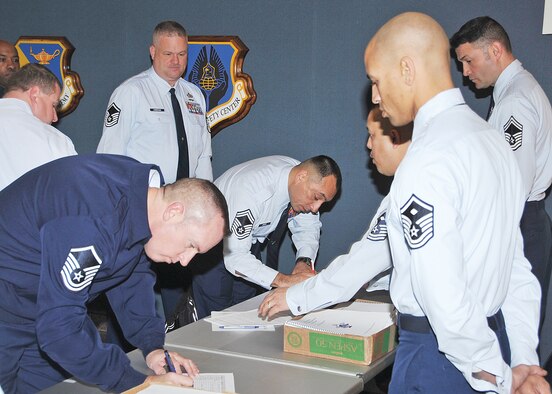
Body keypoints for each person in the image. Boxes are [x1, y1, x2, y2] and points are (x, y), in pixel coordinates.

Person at [363, 12, 544, 393]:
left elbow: (443, 296)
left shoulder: (426, 160)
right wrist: (522, 359)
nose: (376, 98)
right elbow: (514, 266)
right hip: (492, 340)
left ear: (406, 69)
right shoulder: (491, 141)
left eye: (377, 81)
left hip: (440, 357)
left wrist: (497, 375)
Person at [0, 154, 229, 393]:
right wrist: (135, 381)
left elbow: (130, 275)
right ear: (173, 212)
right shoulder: (94, 219)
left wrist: (152, 347)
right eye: (191, 245)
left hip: (38, 307)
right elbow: (59, 329)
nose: (185, 261)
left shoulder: (142, 200)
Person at [96, 20, 212, 323]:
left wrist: (206, 206)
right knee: (131, 291)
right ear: (152, 52)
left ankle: (176, 346)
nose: (176, 62)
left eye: (182, 54)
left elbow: (203, 156)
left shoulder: (194, 96)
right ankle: (127, 357)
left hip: (182, 212)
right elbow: (109, 156)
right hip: (141, 210)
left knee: (178, 290)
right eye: (168, 54)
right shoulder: (130, 93)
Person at [450, 16, 552, 335]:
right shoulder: (519, 89)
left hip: (518, 226)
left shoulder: (514, 103)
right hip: (526, 223)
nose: (465, 72)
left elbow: (512, 186)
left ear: (495, 50)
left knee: (511, 337)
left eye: (468, 60)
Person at [259, 108, 412, 318]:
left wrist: (297, 296)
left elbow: (366, 259)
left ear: (394, 137)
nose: (368, 144)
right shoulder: (420, 178)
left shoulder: (410, 190)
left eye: (373, 135)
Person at [192, 155, 341, 319]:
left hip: (247, 245)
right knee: (216, 321)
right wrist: (285, 281)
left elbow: (307, 226)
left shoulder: (298, 179)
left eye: (322, 202)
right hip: (213, 248)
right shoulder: (252, 190)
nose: (315, 208)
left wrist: (304, 262)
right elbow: (234, 257)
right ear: (301, 177)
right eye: (316, 197)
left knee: (247, 314)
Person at [0, 63, 77, 190]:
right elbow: (71, 194)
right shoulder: (53, 139)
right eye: (53, 105)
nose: (55, 117)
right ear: (34, 95)